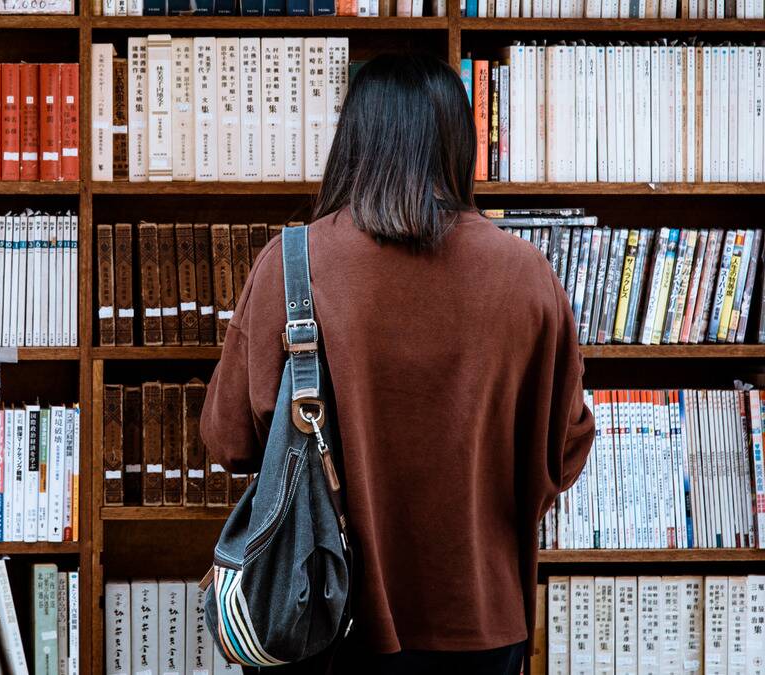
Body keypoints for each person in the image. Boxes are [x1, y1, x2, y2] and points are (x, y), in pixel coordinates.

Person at [199, 52, 596, 675]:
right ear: (459, 145)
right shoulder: (526, 275)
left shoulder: (291, 263)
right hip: (483, 619)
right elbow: (564, 452)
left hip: (322, 614)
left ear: (352, 141)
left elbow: (230, 442)